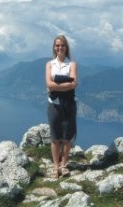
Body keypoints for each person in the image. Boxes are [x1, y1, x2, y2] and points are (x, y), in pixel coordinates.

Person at [45, 35, 78, 178]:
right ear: (54, 47)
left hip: (69, 105)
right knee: (55, 138)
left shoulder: (72, 64)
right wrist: (66, 85)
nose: (60, 48)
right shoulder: (49, 64)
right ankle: (55, 167)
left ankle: (64, 165)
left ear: (66, 47)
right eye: (57, 45)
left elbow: (74, 84)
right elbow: (48, 84)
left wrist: (56, 86)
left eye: (63, 45)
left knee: (67, 137)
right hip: (55, 105)